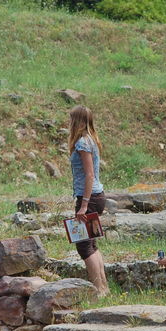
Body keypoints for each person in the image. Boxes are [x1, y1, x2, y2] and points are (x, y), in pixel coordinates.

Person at [68, 105, 108, 297]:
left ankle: (98, 289)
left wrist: (83, 204)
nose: (70, 123)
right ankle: (104, 287)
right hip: (97, 196)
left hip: (89, 197)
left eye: (72, 119)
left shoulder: (82, 143)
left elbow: (89, 175)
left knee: (84, 245)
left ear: (80, 121)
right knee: (91, 243)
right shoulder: (91, 140)